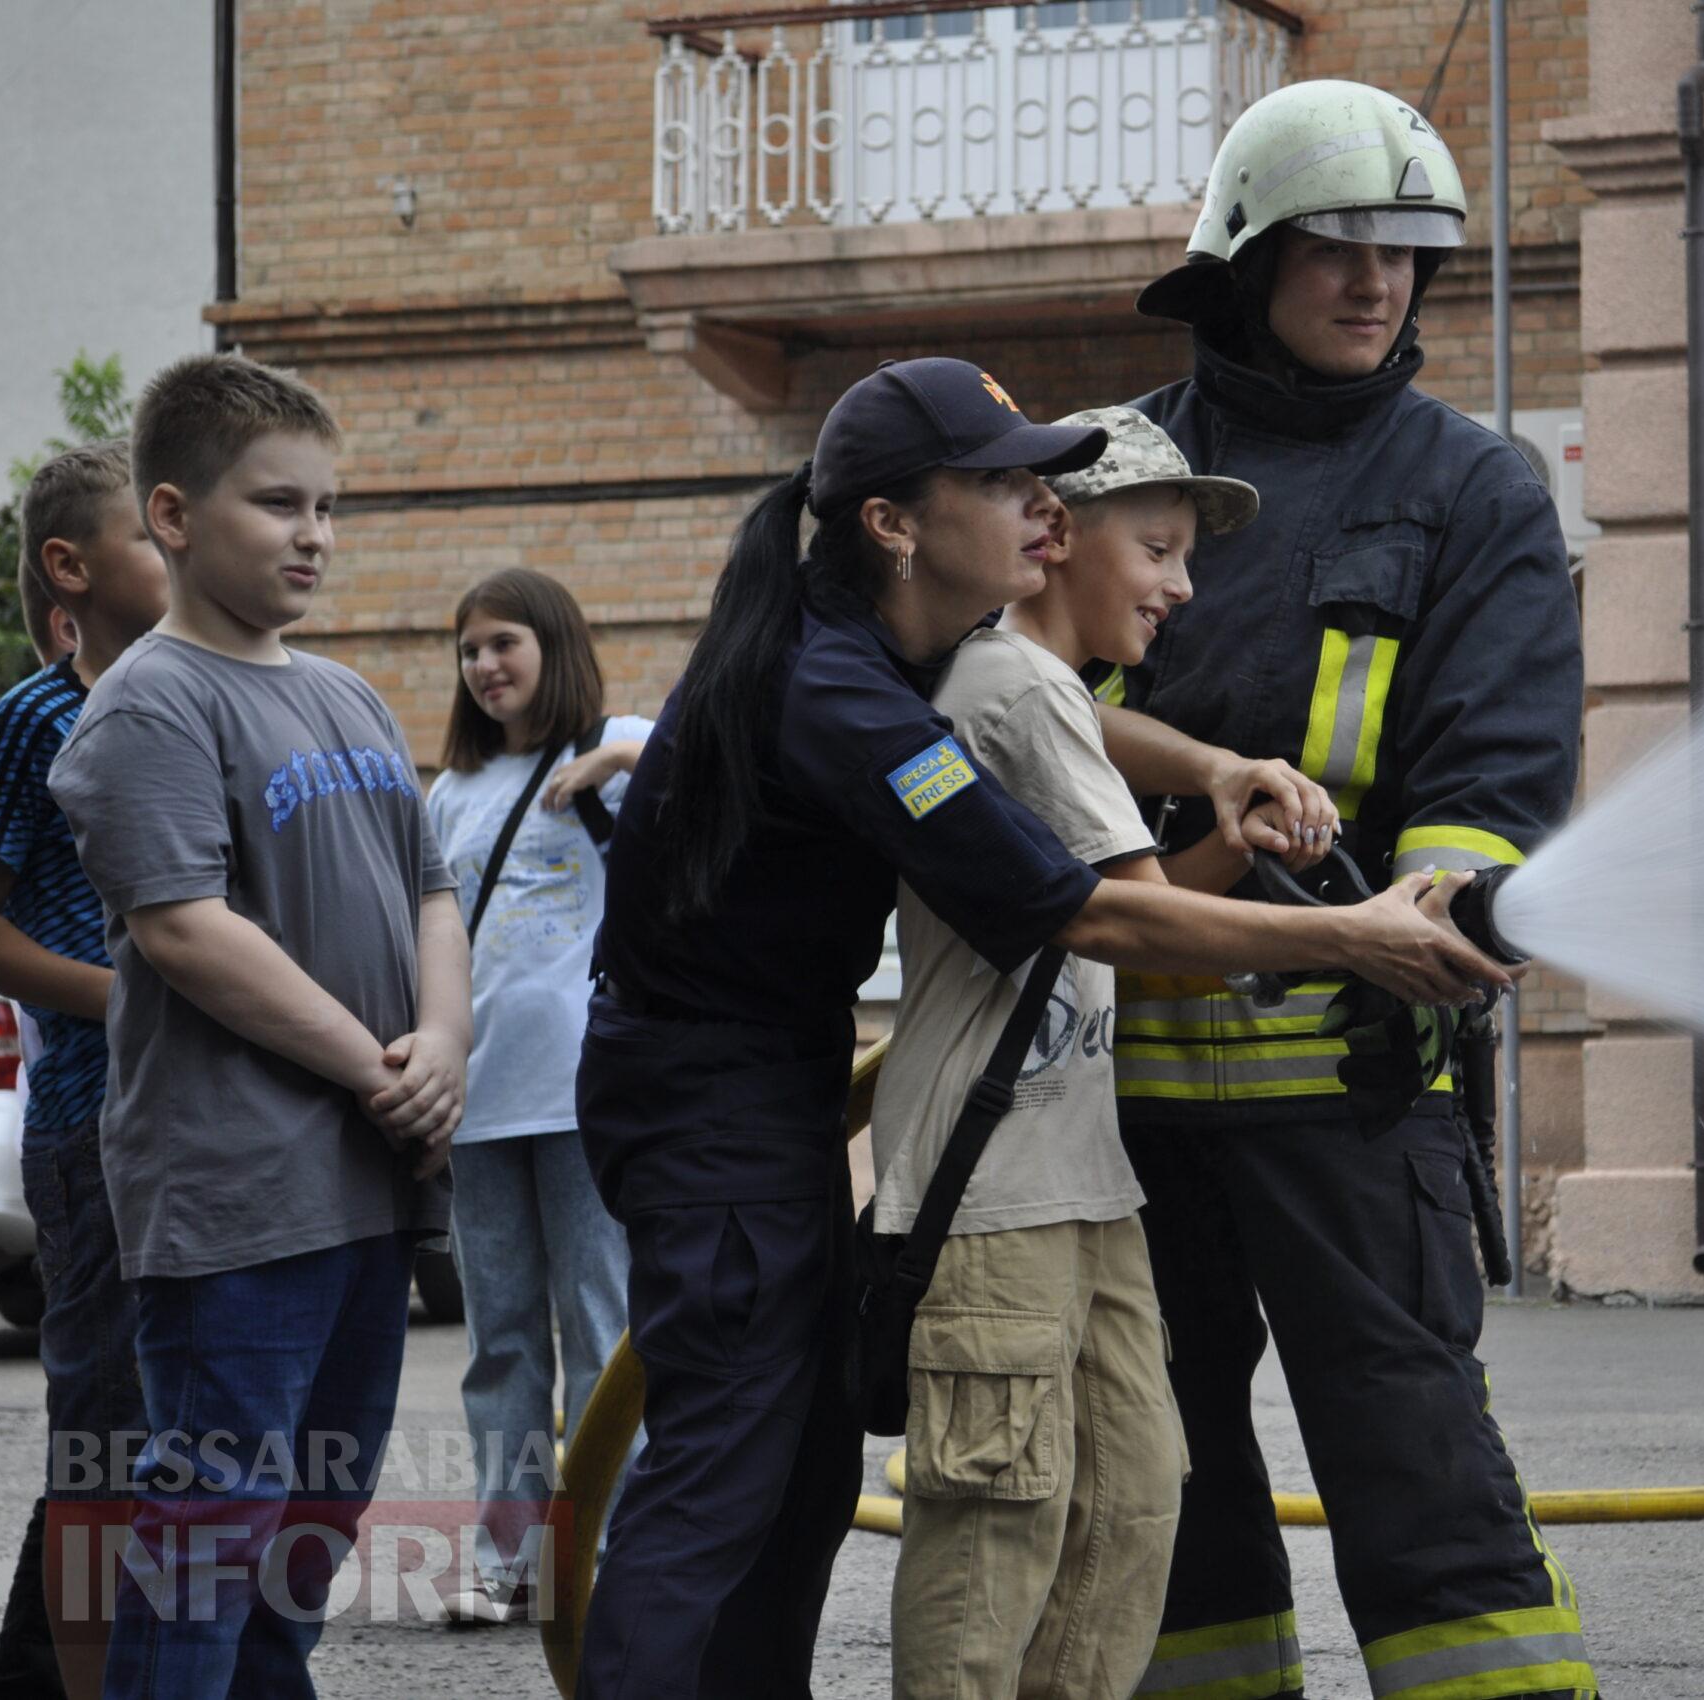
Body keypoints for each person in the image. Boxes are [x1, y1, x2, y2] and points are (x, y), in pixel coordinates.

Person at [574, 355, 1509, 1700]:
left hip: (764, 1084)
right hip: (703, 1101)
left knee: (797, 1470)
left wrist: (1213, 768)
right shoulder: (841, 693)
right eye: (1004, 480)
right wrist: (1353, 938)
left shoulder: (903, 647)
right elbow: (1089, 913)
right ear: (894, 523)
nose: (1042, 506)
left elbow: (1044, 703)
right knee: (729, 1466)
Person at [1109, 80, 1594, 1699]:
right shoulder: (1112, 473)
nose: (1376, 282)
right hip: (1109, 1094)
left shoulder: (1475, 487)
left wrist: (1453, 888)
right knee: (1153, 1482)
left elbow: (1500, 757)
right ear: (1247, 261)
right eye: (1335, 247)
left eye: (1406, 253)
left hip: (1353, 1080)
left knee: (1415, 1464)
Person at [48, 352, 467, 1700]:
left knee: (305, 1538)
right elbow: (182, 928)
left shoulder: (343, 694)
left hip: (361, 1186)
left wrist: (445, 1043)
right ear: (173, 517)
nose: (314, 536)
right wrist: (372, 1065)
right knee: (209, 1539)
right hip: (236, 1197)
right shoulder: (147, 706)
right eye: (278, 505)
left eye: (328, 508)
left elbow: (431, 885)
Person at [876, 407, 1298, 1700]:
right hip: (993, 1197)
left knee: (1129, 1502)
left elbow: (1135, 910)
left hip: (1083, 1185)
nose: (1181, 587)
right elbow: (1135, 923)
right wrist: (1365, 938)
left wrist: (1232, 799)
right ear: (1056, 539)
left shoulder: (1054, 695)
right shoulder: (1012, 693)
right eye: (1160, 549)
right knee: (999, 1523)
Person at [425, 568, 649, 1627]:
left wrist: (611, 755)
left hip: (581, 1099)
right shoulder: (448, 792)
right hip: (475, 1103)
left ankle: (608, 1549)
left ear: (554, 644)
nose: (486, 666)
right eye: (470, 651)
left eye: (504, 642)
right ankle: (506, 1557)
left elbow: (715, 762)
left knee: (601, 1324)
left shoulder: (617, 748)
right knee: (499, 1338)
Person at [0, 441, 165, 1700]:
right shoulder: (32, 720)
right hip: (90, 1120)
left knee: (188, 1432)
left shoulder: (216, 695)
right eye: (151, 532)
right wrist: (149, 999)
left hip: (221, 1122)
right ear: (72, 565)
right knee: (103, 1432)